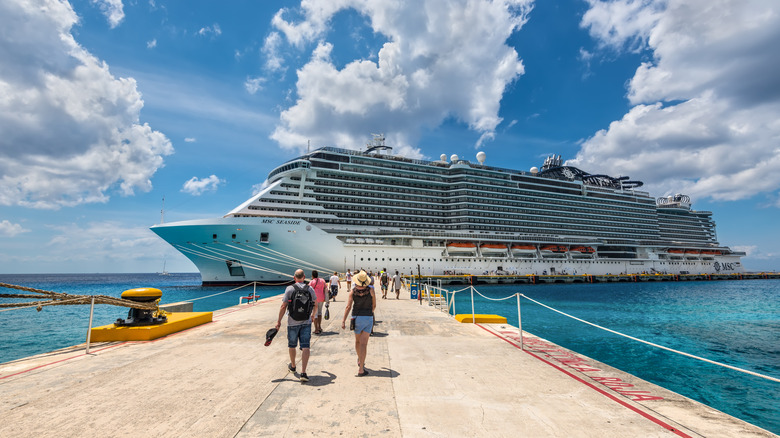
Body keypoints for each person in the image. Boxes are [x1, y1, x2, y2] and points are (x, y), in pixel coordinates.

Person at [275, 269, 317, 383]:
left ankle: (293, 366)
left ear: (294, 277)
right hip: (306, 322)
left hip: (292, 322)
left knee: (292, 345)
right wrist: (313, 315)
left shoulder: (290, 288)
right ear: (304, 277)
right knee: (306, 347)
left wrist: (278, 321)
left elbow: (283, 306)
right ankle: (304, 373)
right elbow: (315, 304)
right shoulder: (310, 288)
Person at [342, 271, 376, 376]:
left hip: (356, 318)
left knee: (357, 342)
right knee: (364, 344)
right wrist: (370, 313)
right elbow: (374, 305)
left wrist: (343, 320)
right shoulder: (371, 290)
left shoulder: (352, 291)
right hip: (368, 317)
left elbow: (348, 307)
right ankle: (361, 368)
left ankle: (359, 359)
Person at [309, 270, 327, 335]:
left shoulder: (311, 282)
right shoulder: (322, 280)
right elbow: (326, 288)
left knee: (315, 314)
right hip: (322, 298)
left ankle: (316, 329)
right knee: (320, 312)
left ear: (312, 275)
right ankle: (319, 327)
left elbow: (308, 290)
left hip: (314, 299)